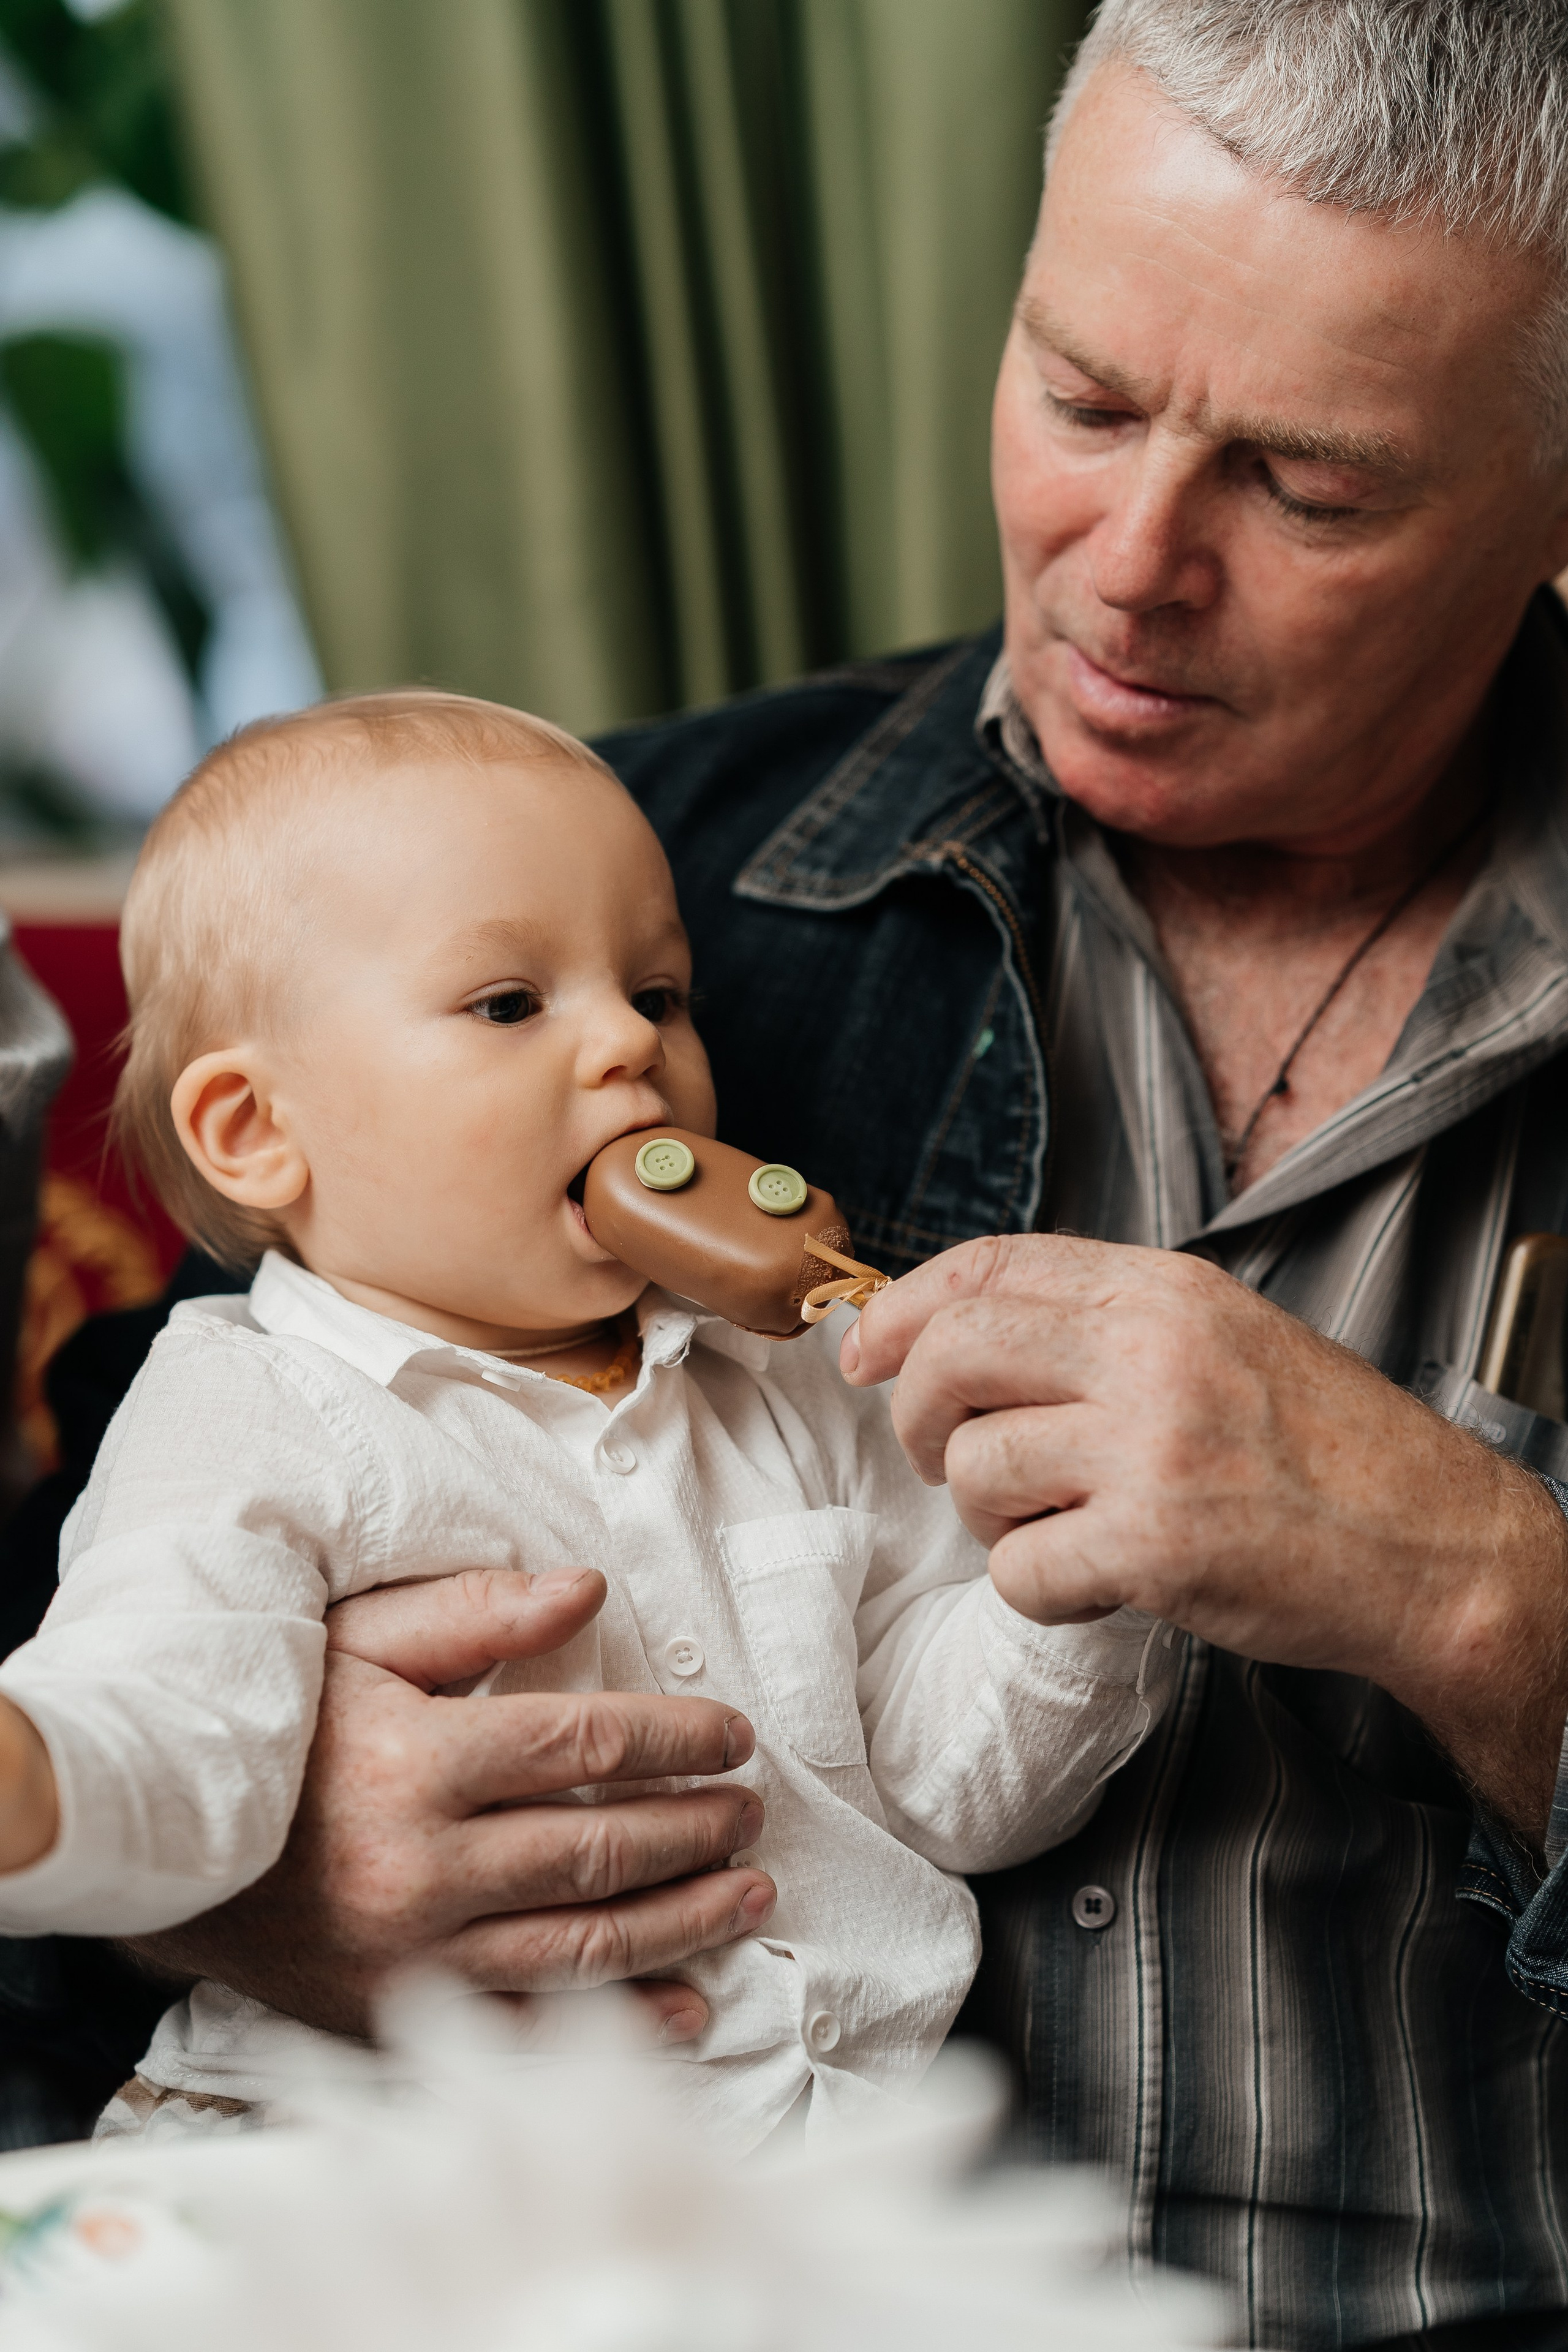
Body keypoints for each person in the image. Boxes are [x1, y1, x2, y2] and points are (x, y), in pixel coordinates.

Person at [3, 0, 1567, 2342]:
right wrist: (243, 1866)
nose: (1130, 566)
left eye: (1314, 487)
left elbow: (969, 1730)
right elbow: (125, 1585)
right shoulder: (590, 877)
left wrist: (1486, 1589)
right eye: (1081, 394)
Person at [0, 688, 1175, 2146]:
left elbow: (948, 1791)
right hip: (357, 2194)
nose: (627, 1044)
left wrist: (1083, 1577)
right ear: (256, 1131)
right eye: (509, 1004)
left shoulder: (803, 1376)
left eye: (659, 993)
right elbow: (175, 1724)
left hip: (792, 2209)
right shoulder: (246, 1412)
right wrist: (41, 1780)